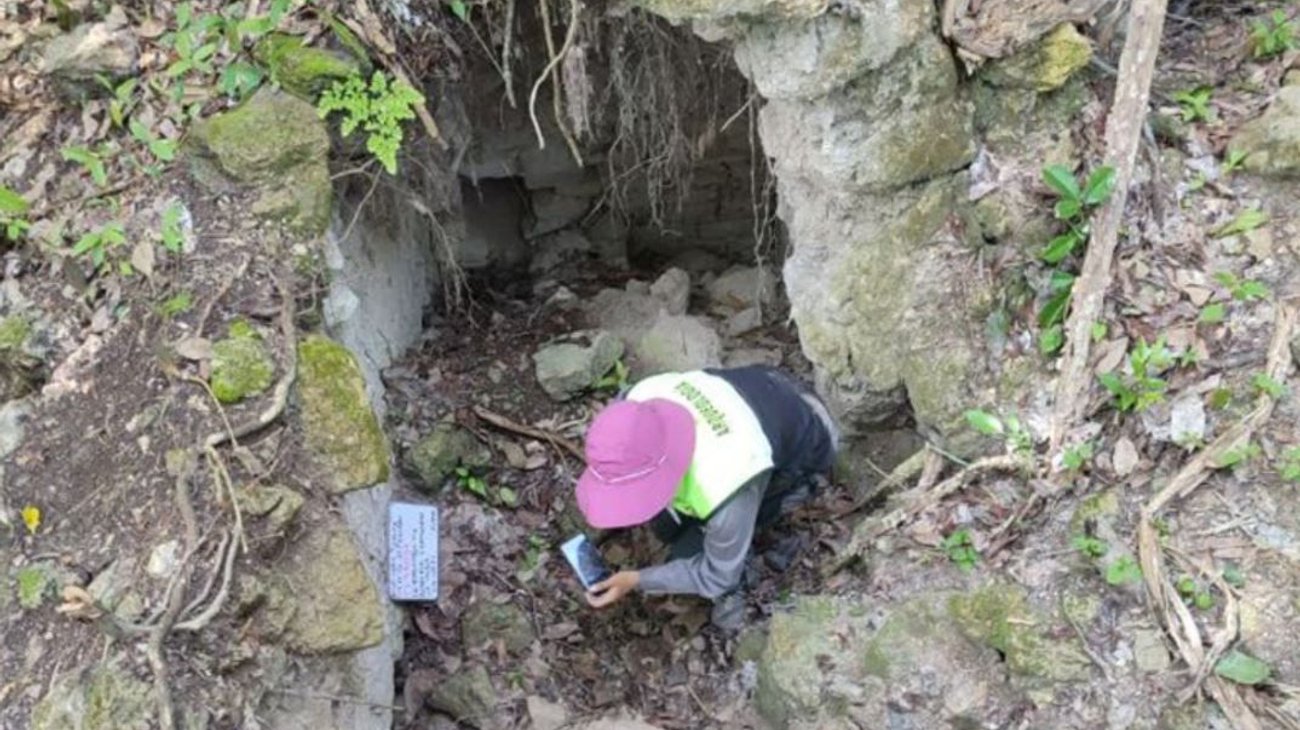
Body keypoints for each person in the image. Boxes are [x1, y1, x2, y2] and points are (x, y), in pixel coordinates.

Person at [574, 365, 839, 629]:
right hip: (762, 382)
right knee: (666, 529)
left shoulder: (729, 480)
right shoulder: (636, 400)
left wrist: (636, 580)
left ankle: (745, 574)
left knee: (687, 552)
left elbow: (716, 576)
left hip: (810, 435)